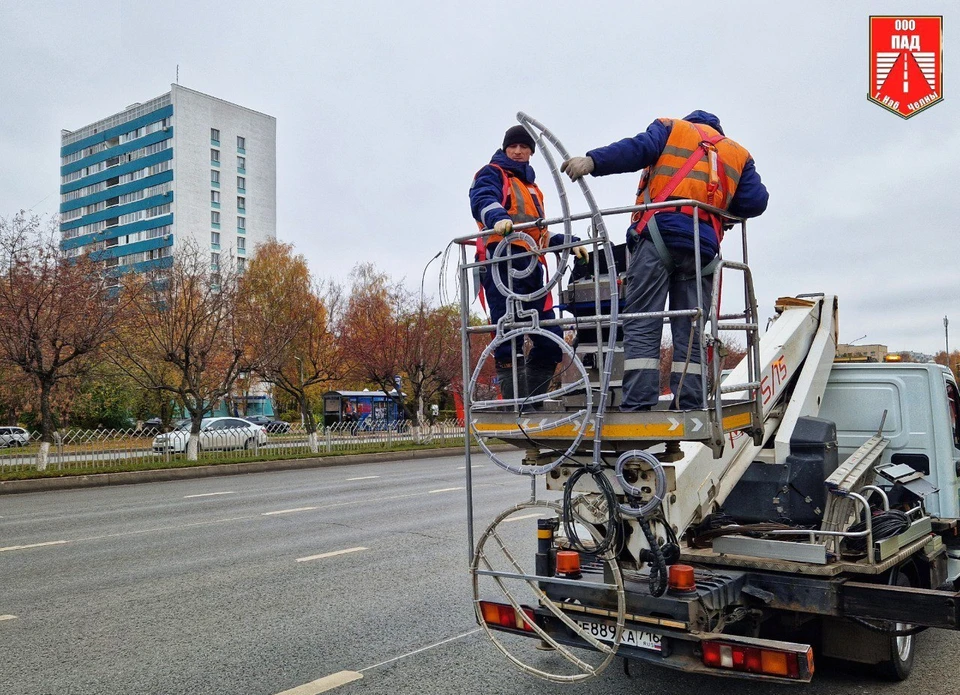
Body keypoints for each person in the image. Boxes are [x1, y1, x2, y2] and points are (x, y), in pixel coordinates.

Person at [561, 111, 769, 411]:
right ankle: (690, 403)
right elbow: (756, 201)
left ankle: (638, 404)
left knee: (643, 322)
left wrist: (593, 161)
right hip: (703, 248)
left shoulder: (672, 128)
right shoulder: (737, 153)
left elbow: (637, 150)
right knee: (691, 326)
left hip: (659, 235)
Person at [469, 125, 587, 402]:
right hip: (501, 261)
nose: (519, 151)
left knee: (550, 338)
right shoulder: (493, 173)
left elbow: (538, 233)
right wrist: (496, 217)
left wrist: (566, 241)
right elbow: (482, 198)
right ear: (505, 148)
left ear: (532, 152)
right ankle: (515, 404)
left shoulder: (532, 188)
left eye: (524, 147)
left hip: (532, 267)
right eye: (514, 147)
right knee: (508, 333)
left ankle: (530, 401)